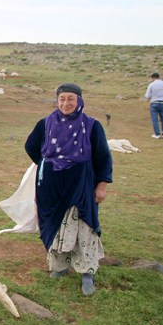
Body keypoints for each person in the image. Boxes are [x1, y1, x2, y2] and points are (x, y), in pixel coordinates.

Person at [25, 83, 113, 296]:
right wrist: (48, 163)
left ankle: (87, 272)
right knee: (54, 225)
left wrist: (101, 186)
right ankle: (60, 266)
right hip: (50, 187)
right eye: (62, 99)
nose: (66, 103)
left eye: (71, 99)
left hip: (81, 185)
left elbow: (103, 157)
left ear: (79, 100)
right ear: (57, 101)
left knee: (84, 225)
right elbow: (31, 146)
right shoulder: (45, 123)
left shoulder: (92, 126)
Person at [145, 73, 163, 139]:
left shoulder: (151, 85)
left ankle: (157, 134)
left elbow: (147, 95)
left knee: (155, 119)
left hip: (154, 103)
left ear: (153, 77)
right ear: (159, 77)